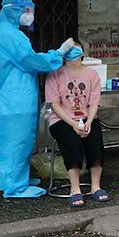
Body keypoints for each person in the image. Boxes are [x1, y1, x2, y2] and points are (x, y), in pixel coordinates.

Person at [0, 0, 74, 199]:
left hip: (9, 97)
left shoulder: (2, 31)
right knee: (18, 141)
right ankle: (16, 188)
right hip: (16, 100)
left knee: (11, 141)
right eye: (24, 9)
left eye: (30, 9)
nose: (29, 14)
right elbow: (32, 61)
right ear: (12, 10)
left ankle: (12, 179)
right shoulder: (11, 35)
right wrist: (60, 53)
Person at [45, 41, 108, 207]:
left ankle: (96, 186)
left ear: (82, 53)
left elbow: (94, 102)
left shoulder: (92, 75)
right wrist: (72, 123)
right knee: (71, 141)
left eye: (76, 50)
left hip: (87, 117)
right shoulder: (54, 74)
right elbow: (54, 104)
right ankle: (75, 189)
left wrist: (88, 121)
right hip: (61, 119)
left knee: (94, 140)